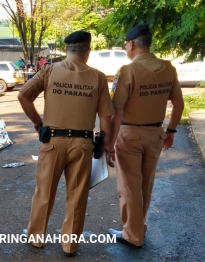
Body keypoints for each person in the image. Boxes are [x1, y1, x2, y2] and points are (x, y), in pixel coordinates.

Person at [18, 30, 114, 257]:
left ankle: (36, 238)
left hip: (52, 142)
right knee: (77, 195)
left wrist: (37, 122)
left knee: (44, 191)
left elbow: (23, 95)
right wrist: (105, 143)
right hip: (83, 145)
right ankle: (70, 245)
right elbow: (106, 117)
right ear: (87, 52)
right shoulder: (98, 77)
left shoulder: (49, 70)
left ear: (67, 50)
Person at [108, 23, 184, 247]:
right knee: (145, 184)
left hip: (129, 134)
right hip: (156, 135)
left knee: (129, 187)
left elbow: (116, 110)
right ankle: (139, 227)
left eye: (125, 45)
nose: (125, 49)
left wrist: (109, 143)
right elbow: (178, 103)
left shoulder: (127, 71)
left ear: (131, 44)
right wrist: (170, 131)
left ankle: (132, 235)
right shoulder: (168, 67)